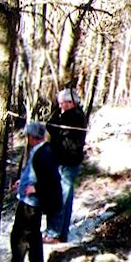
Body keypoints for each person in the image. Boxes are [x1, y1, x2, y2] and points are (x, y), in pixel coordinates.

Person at [0, 122, 62, 262]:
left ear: (32, 137)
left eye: (28, 136)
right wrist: (22, 183)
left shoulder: (45, 153)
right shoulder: (40, 151)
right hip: (29, 199)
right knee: (33, 235)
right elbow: (34, 173)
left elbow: (52, 180)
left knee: (18, 237)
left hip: (32, 202)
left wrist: (35, 188)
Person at [44, 88, 86, 243]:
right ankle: (60, 233)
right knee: (64, 198)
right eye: (59, 103)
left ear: (71, 103)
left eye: (63, 103)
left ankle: (55, 233)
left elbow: (55, 129)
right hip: (62, 160)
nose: (60, 106)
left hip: (68, 162)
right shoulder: (65, 115)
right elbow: (49, 125)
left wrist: (59, 115)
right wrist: (57, 111)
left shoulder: (75, 117)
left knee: (60, 198)